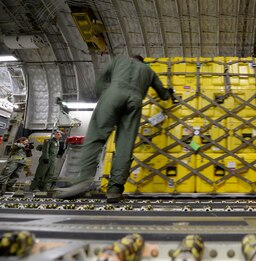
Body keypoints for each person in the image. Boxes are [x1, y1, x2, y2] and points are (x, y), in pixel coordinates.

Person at [54, 55, 173, 202]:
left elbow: (101, 80)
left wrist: (99, 97)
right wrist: (169, 93)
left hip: (113, 95)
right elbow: (164, 94)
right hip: (135, 102)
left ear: (131, 58)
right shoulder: (148, 71)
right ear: (142, 62)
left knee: (96, 138)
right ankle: (115, 190)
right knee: (125, 146)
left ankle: (83, 180)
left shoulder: (119, 60)